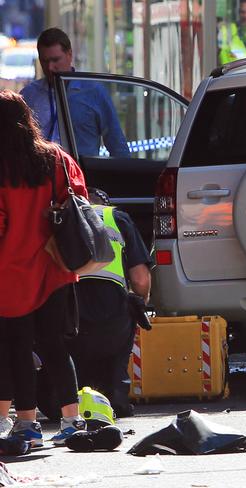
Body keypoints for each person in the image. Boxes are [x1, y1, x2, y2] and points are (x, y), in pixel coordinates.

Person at [0, 90, 88, 447]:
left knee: (17, 347)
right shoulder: (55, 157)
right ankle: (71, 419)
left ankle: (28, 425)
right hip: (54, 264)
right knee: (54, 344)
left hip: (10, 271)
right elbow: (79, 198)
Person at [68, 187, 152, 418]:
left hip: (70, 305)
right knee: (115, 354)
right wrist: (140, 304)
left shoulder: (64, 217)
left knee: (70, 356)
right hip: (113, 307)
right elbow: (140, 278)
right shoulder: (117, 218)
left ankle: (70, 405)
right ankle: (116, 400)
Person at [20, 28, 129, 158]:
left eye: (55, 60)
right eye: (45, 61)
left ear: (69, 55)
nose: (50, 67)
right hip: (42, 175)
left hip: (81, 174)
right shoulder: (29, 95)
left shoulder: (93, 92)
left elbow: (117, 145)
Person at [218, 0, 246, 65]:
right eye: (242, 12)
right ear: (238, 13)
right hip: (233, 73)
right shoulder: (227, 31)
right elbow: (222, 56)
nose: (245, 16)